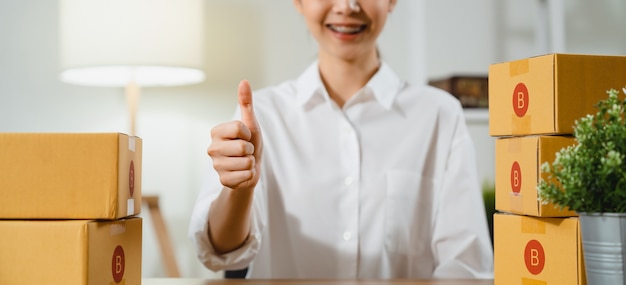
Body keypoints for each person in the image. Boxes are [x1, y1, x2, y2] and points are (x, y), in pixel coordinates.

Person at [189, 0, 494, 279]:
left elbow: (465, 266)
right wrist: (239, 190)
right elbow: (220, 253)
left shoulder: (439, 115)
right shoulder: (263, 115)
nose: (347, 7)